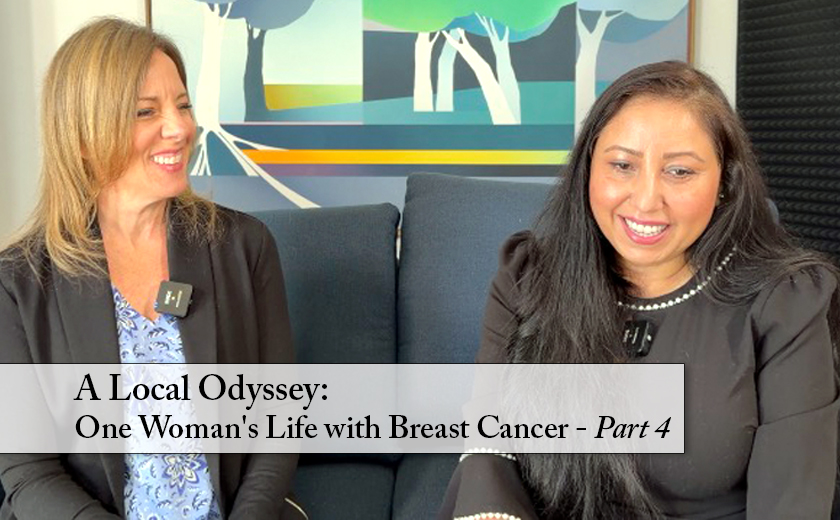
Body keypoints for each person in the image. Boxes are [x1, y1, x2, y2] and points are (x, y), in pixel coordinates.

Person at [439, 61, 840, 519]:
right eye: (622, 165)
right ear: (588, 170)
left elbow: (793, 500)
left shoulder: (789, 302)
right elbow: (491, 438)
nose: (646, 200)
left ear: (725, 183)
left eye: (680, 171)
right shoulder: (528, 275)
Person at [0, 18, 304, 519]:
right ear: (83, 137)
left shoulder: (244, 246)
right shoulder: (19, 282)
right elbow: (29, 473)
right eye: (147, 111)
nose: (180, 128)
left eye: (183, 105)